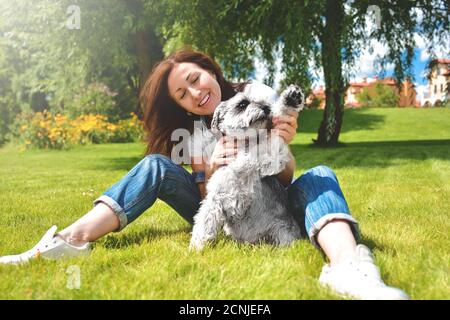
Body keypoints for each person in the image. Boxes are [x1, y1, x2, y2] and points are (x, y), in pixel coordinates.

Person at [0, 50, 409, 300]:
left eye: (195, 80)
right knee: (155, 167)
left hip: (272, 200)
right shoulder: (195, 130)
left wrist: (281, 143)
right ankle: (70, 239)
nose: (195, 94)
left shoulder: (258, 94)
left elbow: (286, 177)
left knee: (319, 172)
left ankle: (349, 269)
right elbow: (203, 194)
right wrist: (212, 166)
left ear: (208, 69)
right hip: (224, 205)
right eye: (183, 94)